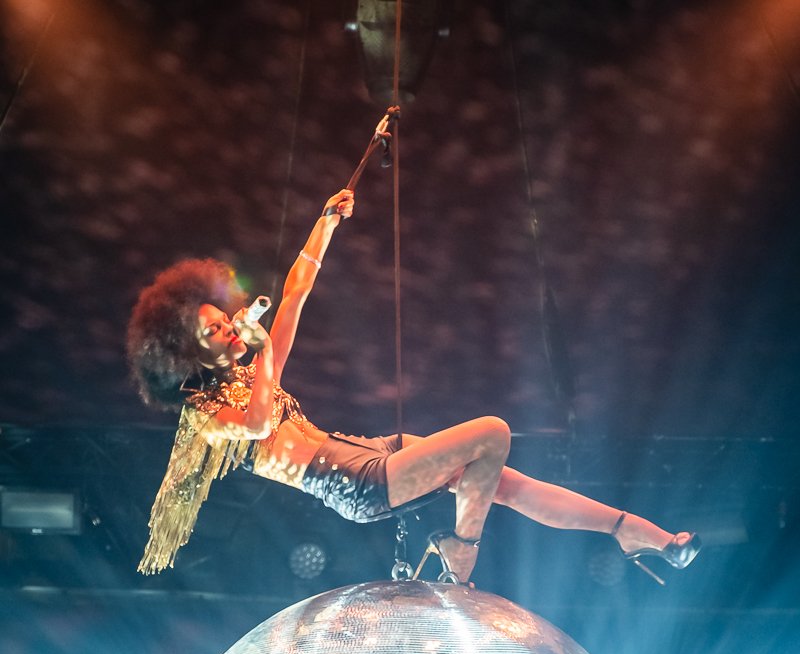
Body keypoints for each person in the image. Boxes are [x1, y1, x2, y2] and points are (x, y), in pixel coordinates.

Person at [127, 187, 700, 583]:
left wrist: (325, 223)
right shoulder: (205, 413)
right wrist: (266, 348)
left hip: (368, 451)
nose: (229, 328)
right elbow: (255, 424)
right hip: (351, 483)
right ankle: (461, 551)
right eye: (213, 330)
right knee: (492, 434)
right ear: (187, 353)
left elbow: (296, 292)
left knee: (504, 481)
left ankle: (632, 530)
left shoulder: (254, 371)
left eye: (224, 319)